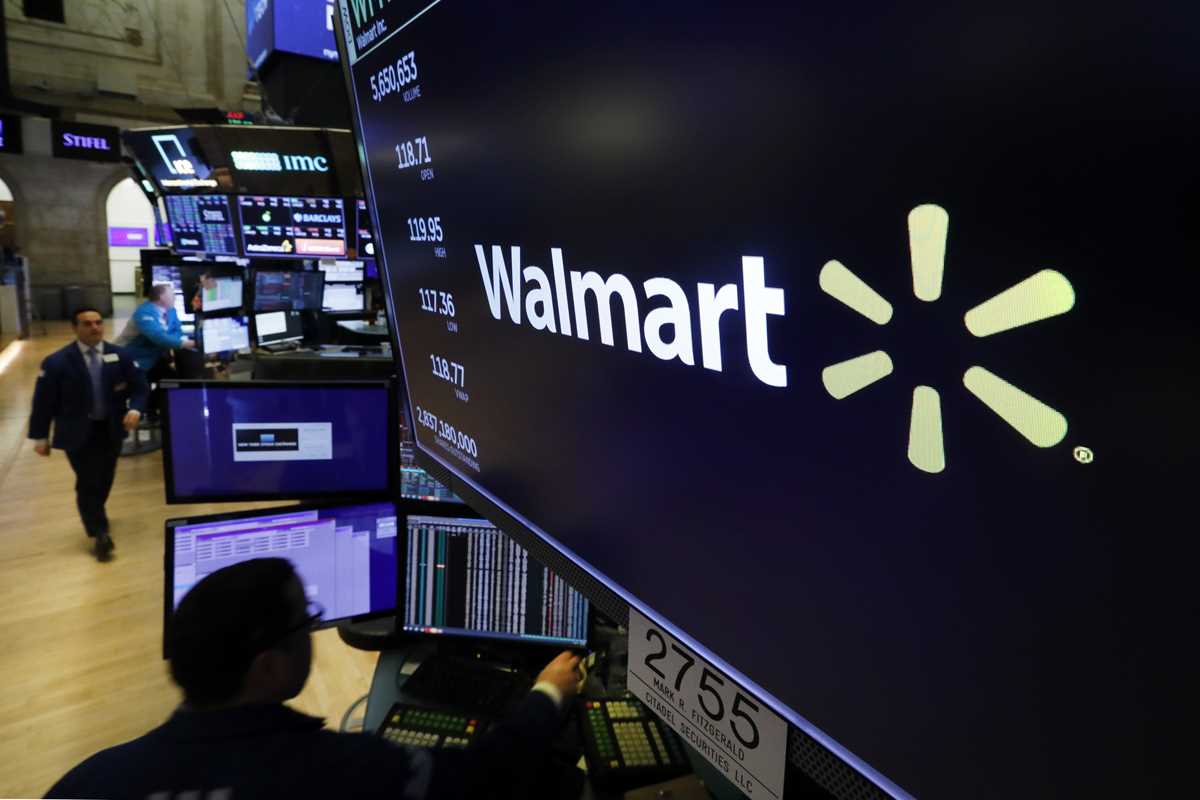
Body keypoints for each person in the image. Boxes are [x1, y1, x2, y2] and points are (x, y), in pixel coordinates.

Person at [45, 558, 584, 799]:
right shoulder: (346, 771)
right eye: (306, 619)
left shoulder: (87, 782)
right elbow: (486, 773)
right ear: (268, 667)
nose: (312, 629)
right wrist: (547, 692)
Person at [29, 307, 149, 560]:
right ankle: (99, 533)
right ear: (75, 328)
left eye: (98, 323)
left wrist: (136, 409)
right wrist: (40, 437)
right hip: (76, 432)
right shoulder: (57, 362)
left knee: (105, 477)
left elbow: (140, 387)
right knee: (88, 480)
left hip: (111, 429)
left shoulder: (121, 356)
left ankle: (95, 512)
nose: (95, 328)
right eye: (87, 324)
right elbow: (43, 403)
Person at [115, 283, 195, 372]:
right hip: (132, 357)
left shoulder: (171, 310)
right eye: (172, 294)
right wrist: (184, 343)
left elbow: (178, 330)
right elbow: (157, 336)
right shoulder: (144, 313)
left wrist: (170, 341)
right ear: (162, 297)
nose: (175, 297)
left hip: (155, 356)